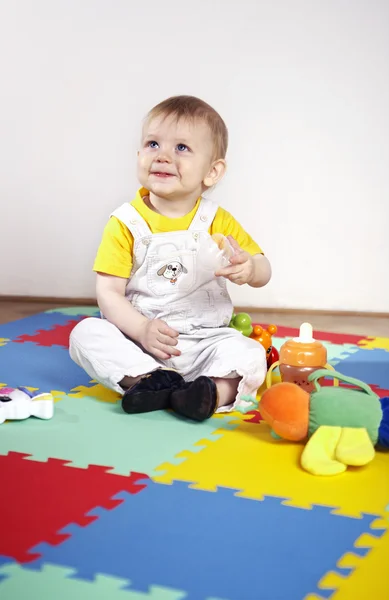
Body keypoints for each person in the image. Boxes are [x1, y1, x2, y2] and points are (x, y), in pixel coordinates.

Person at [69, 95, 272, 421]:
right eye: (152, 144)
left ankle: (209, 392)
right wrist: (141, 328)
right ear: (138, 155)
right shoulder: (125, 223)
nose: (162, 156)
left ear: (213, 171)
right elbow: (108, 294)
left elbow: (263, 268)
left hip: (207, 341)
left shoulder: (216, 220)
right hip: (141, 344)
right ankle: (149, 380)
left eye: (181, 148)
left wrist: (249, 268)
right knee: (85, 333)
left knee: (251, 354)